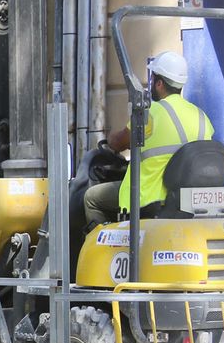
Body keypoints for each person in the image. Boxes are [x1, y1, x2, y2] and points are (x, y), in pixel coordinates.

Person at [83, 51, 213, 228]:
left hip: (149, 197)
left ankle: (103, 242)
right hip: (184, 202)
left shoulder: (151, 114)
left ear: (159, 83)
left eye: (152, 80)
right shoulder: (201, 116)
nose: (150, 84)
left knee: (91, 198)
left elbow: (119, 142)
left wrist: (111, 139)